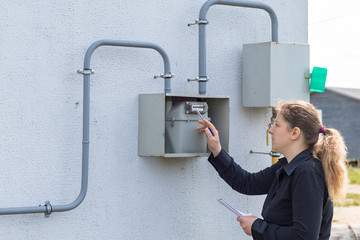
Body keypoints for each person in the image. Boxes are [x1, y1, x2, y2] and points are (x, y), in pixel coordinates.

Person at [197, 100, 348, 240]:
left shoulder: (308, 172)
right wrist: (217, 150)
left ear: (295, 133)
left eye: (277, 124)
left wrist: (257, 227)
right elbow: (247, 183)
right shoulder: (287, 166)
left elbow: (304, 236)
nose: (270, 130)